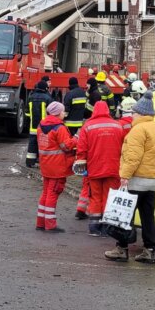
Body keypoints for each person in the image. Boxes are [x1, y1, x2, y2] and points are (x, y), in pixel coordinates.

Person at [105, 90, 155, 264]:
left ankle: (121, 249)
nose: (132, 116)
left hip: (137, 180)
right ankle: (149, 250)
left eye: (134, 113)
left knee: (124, 215)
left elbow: (133, 156)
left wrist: (124, 176)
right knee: (147, 217)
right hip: (152, 181)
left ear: (140, 113)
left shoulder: (138, 130)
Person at [76, 101, 125, 236]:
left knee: (95, 197)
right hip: (113, 168)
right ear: (107, 110)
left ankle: (94, 227)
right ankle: (107, 227)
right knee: (109, 197)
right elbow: (124, 148)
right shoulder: (118, 126)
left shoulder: (88, 126)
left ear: (94, 111)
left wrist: (81, 167)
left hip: (94, 169)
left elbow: (81, 150)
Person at [36, 102, 76, 233]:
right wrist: (76, 139)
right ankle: (50, 224)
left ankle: (41, 222)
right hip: (57, 166)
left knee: (46, 192)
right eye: (63, 112)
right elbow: (66, 146)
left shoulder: (41, 125)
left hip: (45, 164)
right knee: (52, 194)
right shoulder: (59, 128)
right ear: (58, 113)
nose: (64, 114)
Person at [63, 77, 89, 221]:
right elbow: (85, 109)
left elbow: (66, 110)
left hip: (70, 124)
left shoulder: (70, 94)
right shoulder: (82, 93)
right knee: (78, 143)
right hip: (79, 123)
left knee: (70, 143)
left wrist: (63, 120)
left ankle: (72, 161)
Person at [25, 80, 52, 168]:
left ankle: (30, 161)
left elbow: (27, 113)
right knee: (43, 144)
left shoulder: (30, 97)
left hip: (33, 126)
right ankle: (42, 162)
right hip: (44, 127)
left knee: (32, 143)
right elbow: (51, 113)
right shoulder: (47, 98)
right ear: (45, 88)